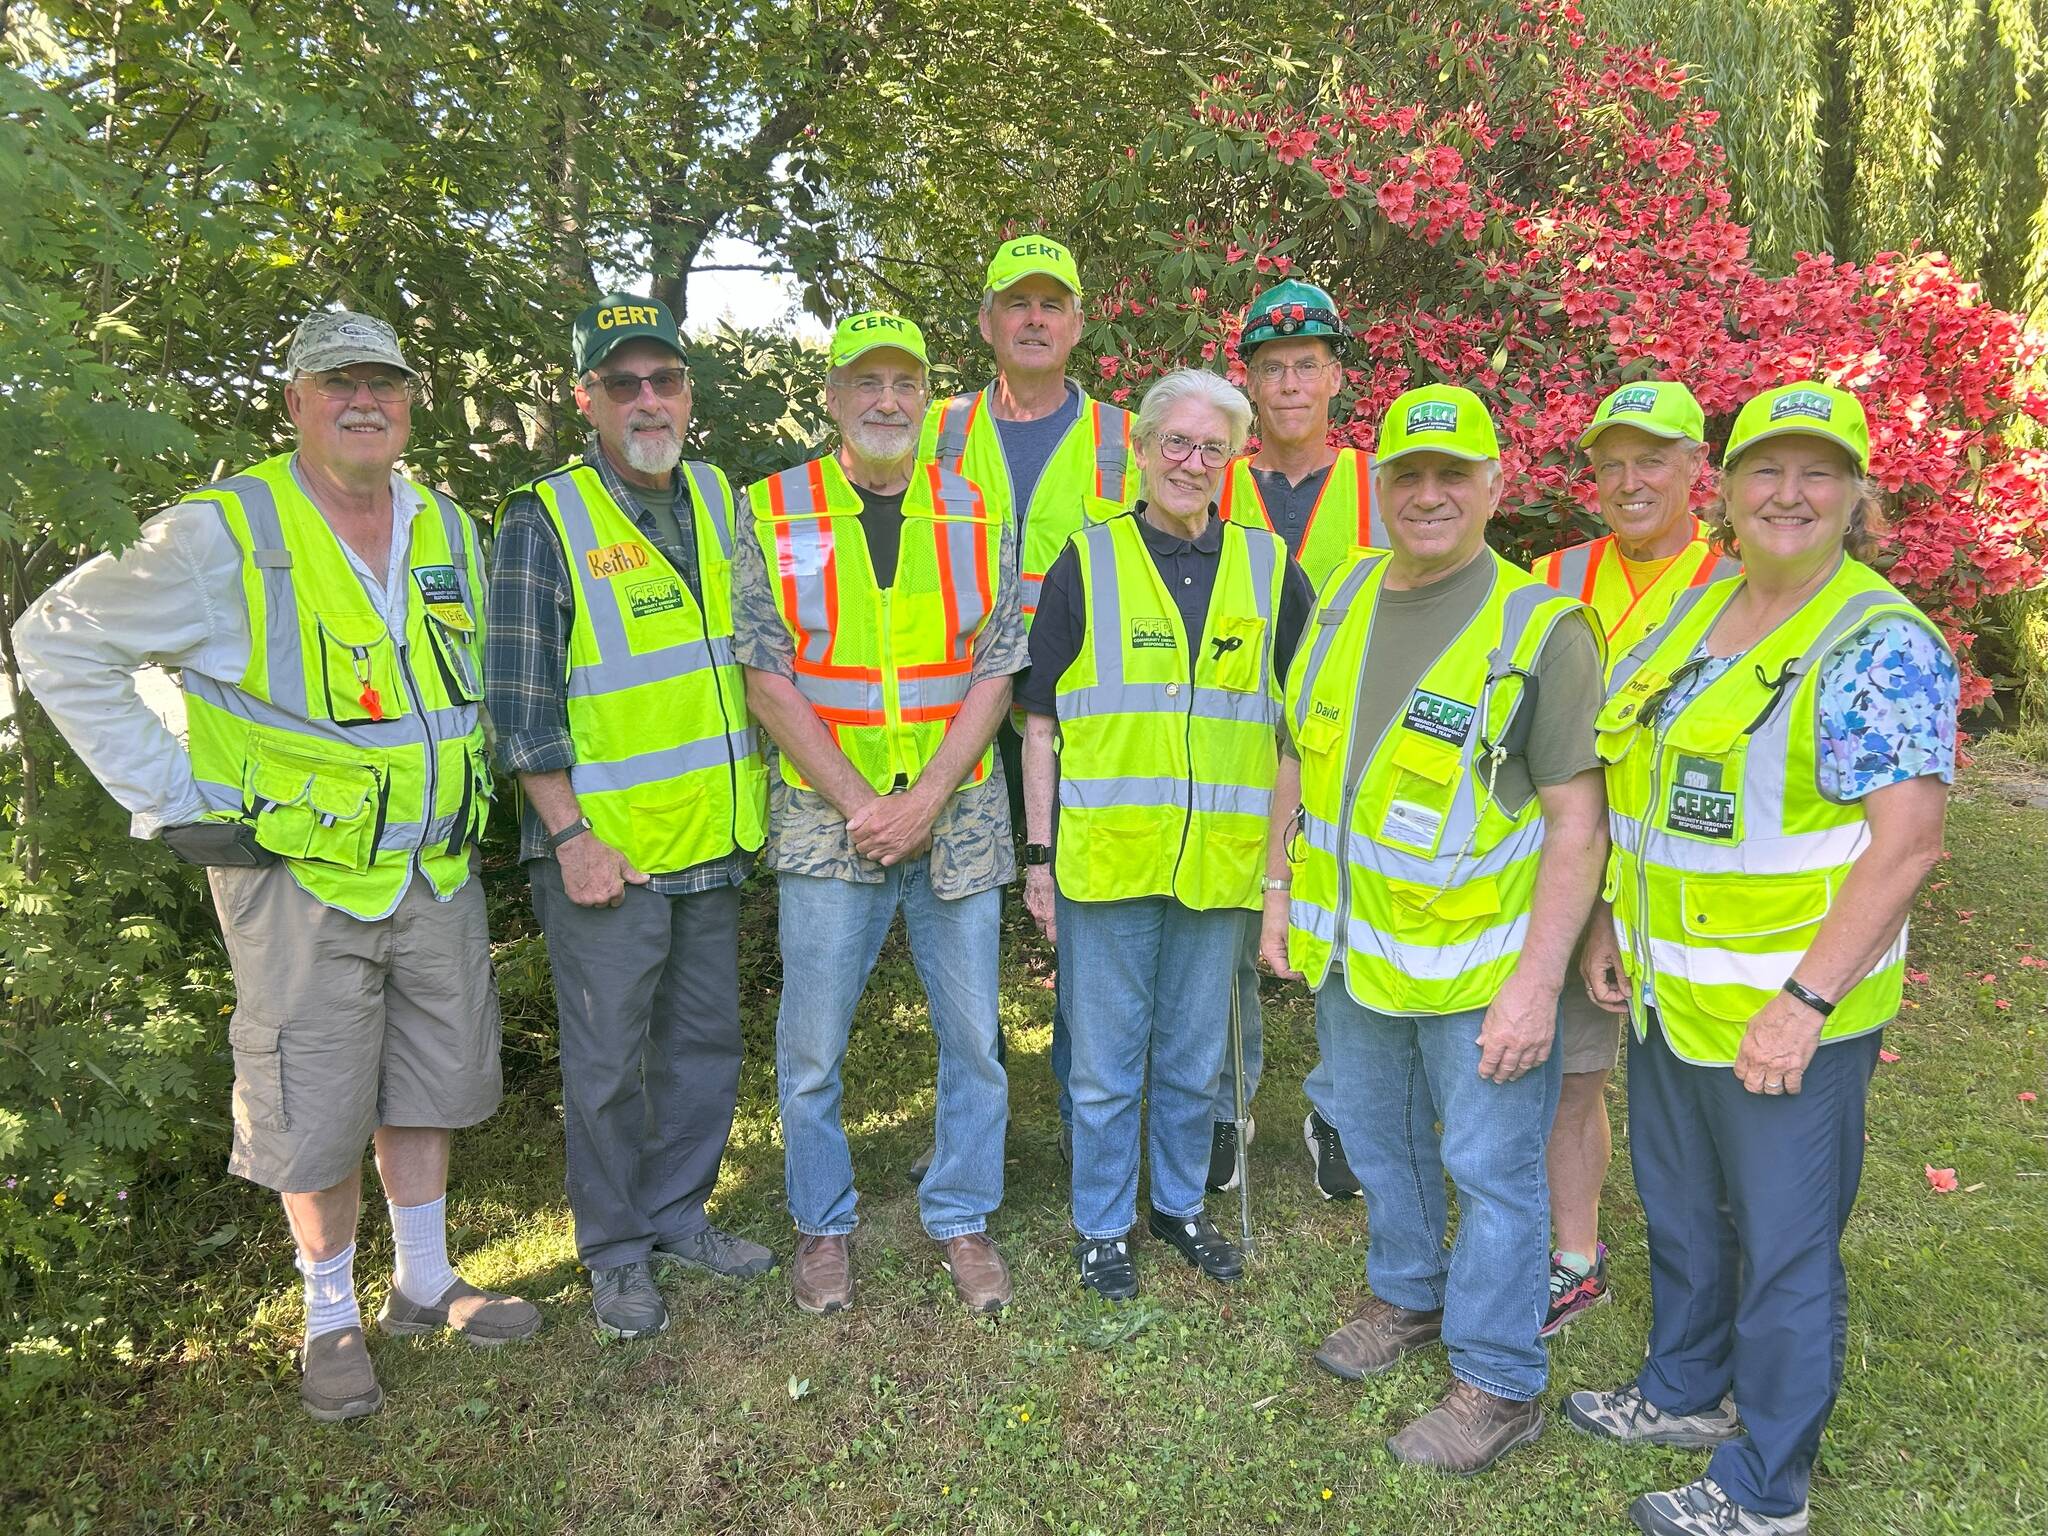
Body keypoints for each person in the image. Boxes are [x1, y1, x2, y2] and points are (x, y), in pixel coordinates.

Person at [12, 310, 535, 1423]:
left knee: (425, 1081)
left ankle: (424, 1282)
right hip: (297, 878)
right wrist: (176, 797)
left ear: (409, 402)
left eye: (384, 383)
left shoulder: (445, 523)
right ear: (292, 400)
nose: (363, 401)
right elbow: (57, 639)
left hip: (433, 869)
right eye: (335, 382)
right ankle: (329, 1315)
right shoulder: (224, 531)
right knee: (314, 1104)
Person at [1566, 383, 1956, 1536]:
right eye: (1763, 470)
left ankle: (1763, 1488)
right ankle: (1682, 1394)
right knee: (1682, 1214)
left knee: (1784, 1255)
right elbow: (1641, 797)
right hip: (1671, 996)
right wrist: (1607, 926)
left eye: (1816, 473)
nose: (1787, 493)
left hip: (1786, 1020)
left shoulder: (1875, 643)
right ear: (1723, 489)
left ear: (1853, 497)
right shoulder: (1696, 614)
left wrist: (1802, 1002)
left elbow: (1906, 844)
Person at [1262, 384, 1608, 1474]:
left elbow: (1575, 823)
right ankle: (1409, 1297)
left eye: (1449, 475)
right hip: (1354, 951)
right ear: (1378, 485)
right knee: (1378, 1141)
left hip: (1479, 968)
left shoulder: (1539, 628)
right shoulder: (1348, 591)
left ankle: (1499, 1381)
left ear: (1493, 487)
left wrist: (1533, 983)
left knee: (1491, 1170)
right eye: (1405, 474)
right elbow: (1296, 756)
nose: (1425, 494)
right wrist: (1277, 893)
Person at [485, 293, 773, 1341]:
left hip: (710, 836)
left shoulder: (713, 493)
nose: (646, 399)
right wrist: (569, 838)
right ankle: (613, 1255)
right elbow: (519, 704)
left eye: (664, 379)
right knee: (607, 1067)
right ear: (586, 399)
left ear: (688, 394)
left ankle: (677, 1215)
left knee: (704, 1049)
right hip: (605, 854)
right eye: (622, 383)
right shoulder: (542, 517)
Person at [734, 311, 1024, 1316]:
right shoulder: (770, 509)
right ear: (831, 398)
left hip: (961, 815)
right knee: (811, 1047)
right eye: (866, 382)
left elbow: (998, 662)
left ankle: (962, 1212)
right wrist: (865, 804)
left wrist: (929, 794)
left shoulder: (978, 508)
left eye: (905, 380)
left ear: (928, 396)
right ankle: (823, 1225)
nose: (888, 400)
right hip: (829, 822)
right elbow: (764, 674)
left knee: (974, 1041)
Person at [1018, 368, 1314, 1300]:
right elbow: (1039, 725)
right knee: (1105, 1066)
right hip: (1105, 864)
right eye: (1175, 443)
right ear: (1139, 452)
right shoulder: (1088, 559)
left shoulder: (1270, 570)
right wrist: (1036, 858)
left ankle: (1178, 1208)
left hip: (1219, 871)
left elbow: (1300, 732)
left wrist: (1280, 870)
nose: (1192, 462)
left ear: (1235, 459)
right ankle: (1103, 1225)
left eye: (1213, 447)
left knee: (1193, 1059)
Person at [916, 233, 1139, 1175]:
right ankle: (974, 1116)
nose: (1035, 319)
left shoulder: (1127, 440)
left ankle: (1088, 1109)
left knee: (1080, 910)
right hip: (951, 711)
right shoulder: (934, 428)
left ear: (1079, 324)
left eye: (1053, 303)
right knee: (956, 920)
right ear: (988, 323)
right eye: (1018, 303)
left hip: (1077, 720)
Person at [1529, 380, 1739, 1336]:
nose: (1628, 479)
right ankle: (1577, 1254)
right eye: (1610, 463)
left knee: (1710, 1094)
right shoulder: (1552, 576)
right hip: (1571, 870)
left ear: (1699, 469)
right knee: (1577, 1072)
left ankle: (1726, 1269)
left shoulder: (1739, 587)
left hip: (1692, 885)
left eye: (1651, 458)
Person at [1211, 278, 1384, 1202]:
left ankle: (1337, 1111)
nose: (1287, 385)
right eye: (1271, 368)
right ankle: (1222, 1109)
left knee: (1342, 934)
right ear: (1249, 384)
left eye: (1305, 366)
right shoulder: (1211, 474)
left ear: (1336, 378)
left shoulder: (1379, 482)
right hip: (1229, 746)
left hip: (1349, 750)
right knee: (1224, 938)